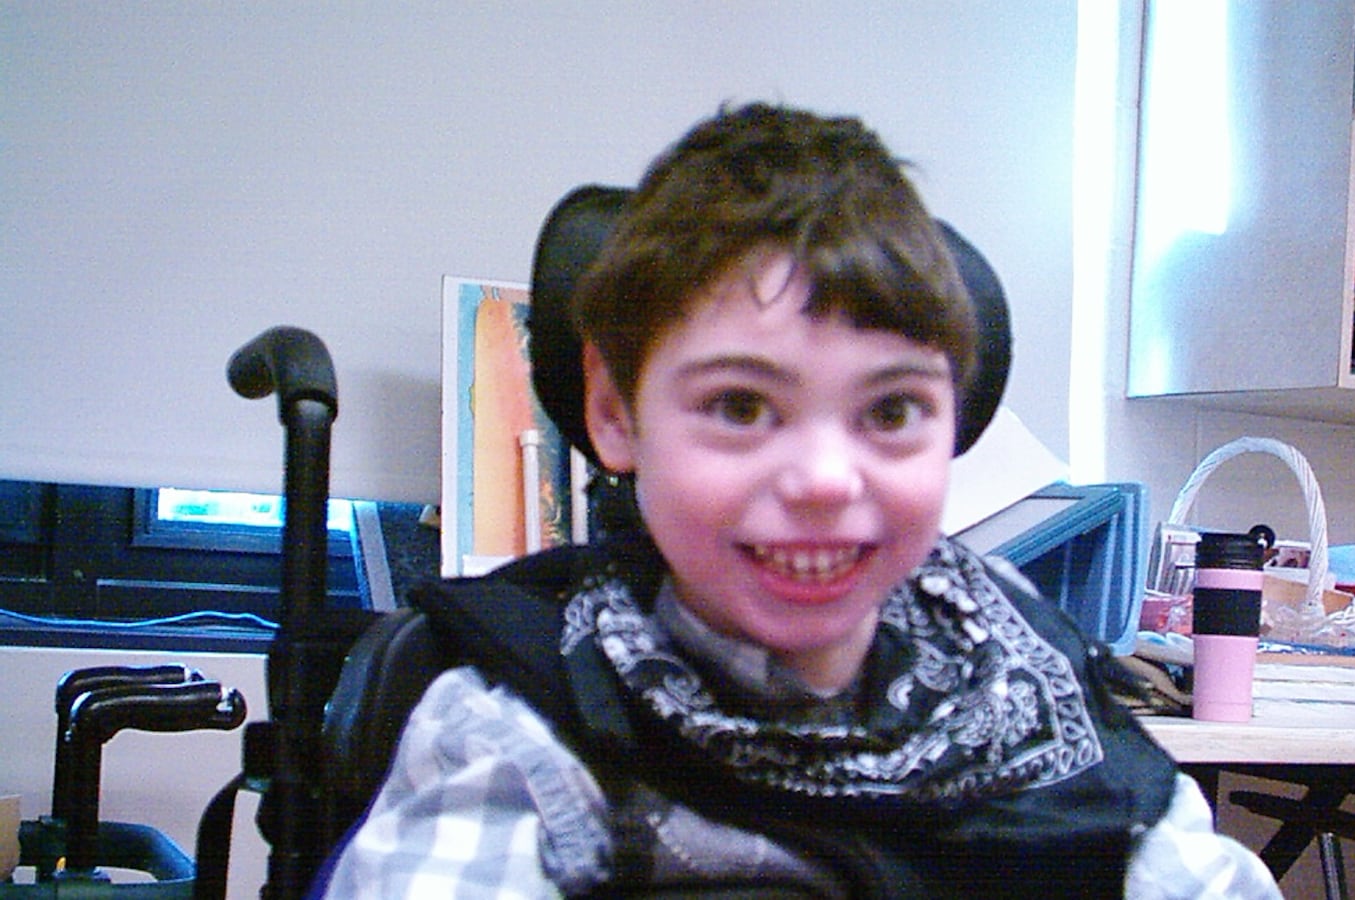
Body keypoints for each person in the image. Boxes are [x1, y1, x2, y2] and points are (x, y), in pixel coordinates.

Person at [322, 102, 1281, 898]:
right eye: (741, 406)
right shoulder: (526, 732)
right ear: (615, 414)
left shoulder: (1021, 662)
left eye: (894, 408)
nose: (827, 479)